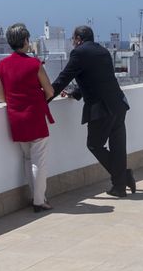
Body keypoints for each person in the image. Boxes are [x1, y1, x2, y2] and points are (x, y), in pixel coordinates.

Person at [48, 24, 134, 196]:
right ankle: (119, 187)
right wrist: (75, 93)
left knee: (94, 145)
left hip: (102, 108)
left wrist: (45, 98)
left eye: (73, 39)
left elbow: (63, 78)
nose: (73, 43)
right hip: (118, 104)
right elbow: (95, 77)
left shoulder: (79, 53)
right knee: (118, 147)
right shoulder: (103, 51)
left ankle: (123, 177)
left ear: (78, 39)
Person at [0, 23, 55, 212]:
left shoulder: (1, 65)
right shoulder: (34, 64)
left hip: (16, 118)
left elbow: (0, 96)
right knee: (39, 161)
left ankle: (36, 196)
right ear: (25, 41)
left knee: (28, 158)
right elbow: (50, 91)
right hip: (35, 117)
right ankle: (39, 201)